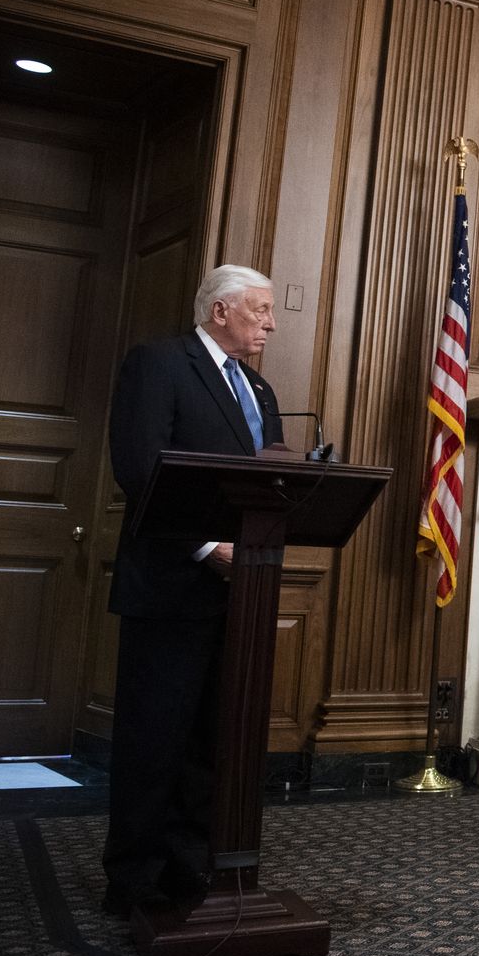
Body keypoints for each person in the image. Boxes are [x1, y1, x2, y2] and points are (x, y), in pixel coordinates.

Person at [101, 264, 283, 916]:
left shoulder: (258, 391)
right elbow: (141, 467)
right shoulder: (158, 364)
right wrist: (206, 548)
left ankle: (191, 871)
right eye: (259, 310)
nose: (268, 322)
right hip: (171, 585)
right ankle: (133, 881)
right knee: (155, 741)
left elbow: (274, 483)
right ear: (220, 312)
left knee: (213, 742)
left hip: (242, 593)